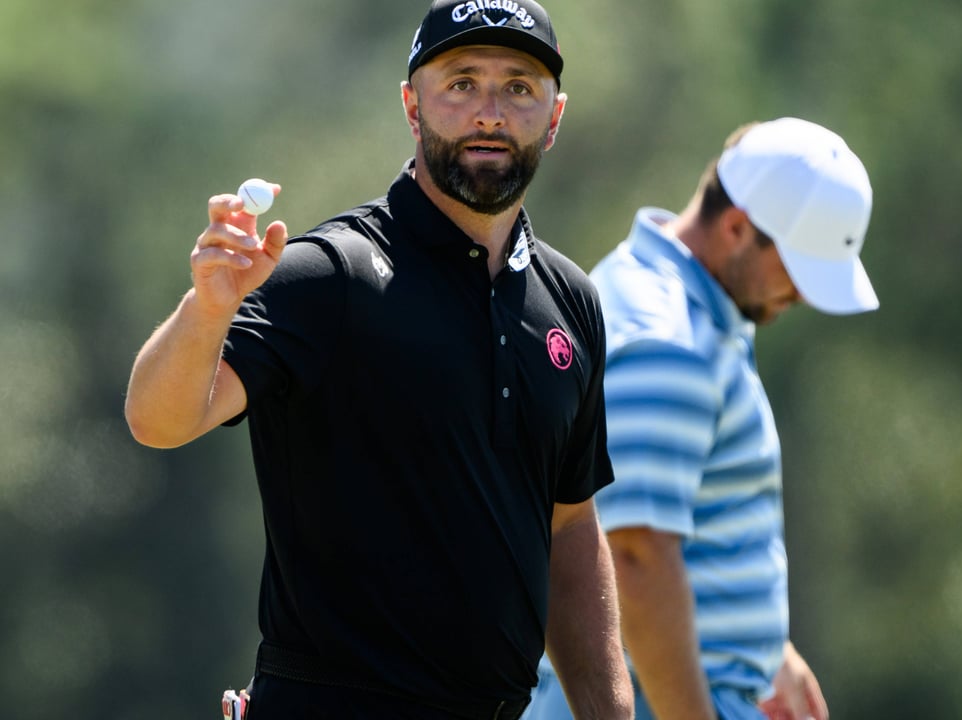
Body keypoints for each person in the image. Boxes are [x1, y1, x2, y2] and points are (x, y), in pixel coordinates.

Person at [124, 1, 633, 718]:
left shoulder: (571, 302)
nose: (489, 111)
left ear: (553, 116)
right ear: (412, 105)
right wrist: (206, 310)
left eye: (518, 87)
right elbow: (157, 419)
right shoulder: (330, 274)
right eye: (460, 83)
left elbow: (570, 525)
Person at [523, 117, 879, 720]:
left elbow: (694, 521)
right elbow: (635, 558)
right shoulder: (668, 340)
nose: (802, 297)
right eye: (797, 271)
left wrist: (767, 652)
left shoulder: (693, 314)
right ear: (739, 227)